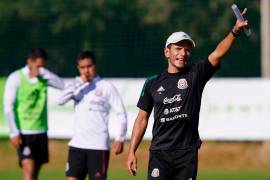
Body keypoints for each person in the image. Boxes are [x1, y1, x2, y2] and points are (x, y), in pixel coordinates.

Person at [127, 8, 249, 180]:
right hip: (160, 153)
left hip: (186, 154)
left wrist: (235, 31)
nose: (183, 54)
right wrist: (132, 151)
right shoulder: (152, 82)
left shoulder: (196, 74)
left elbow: (218, 53)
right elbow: (142, 119)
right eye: (178, 48)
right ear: (167, 52)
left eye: (187, 50)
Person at [58, 50, 127, 180]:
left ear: (95, 66)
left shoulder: (106, 86)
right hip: (77, 146)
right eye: (82, 67)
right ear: (78, 68)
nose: (86, 70)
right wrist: (79, 83)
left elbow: (121, 113)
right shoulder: (76, 85)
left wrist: (120, 137)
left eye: (89, 66)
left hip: (98, 147)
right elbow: (60, 101)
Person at [3, 48, 64, 180]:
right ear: (29, 62)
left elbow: (62, 86)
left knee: (34, 173)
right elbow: (8, 107)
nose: (40, 69)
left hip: (41, 131)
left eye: (43, 66)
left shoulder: (43, 77)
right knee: (28, 171)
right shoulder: (16, 78)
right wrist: (14, 132)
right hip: (24, 133)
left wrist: (45, 73)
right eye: (38, 66)